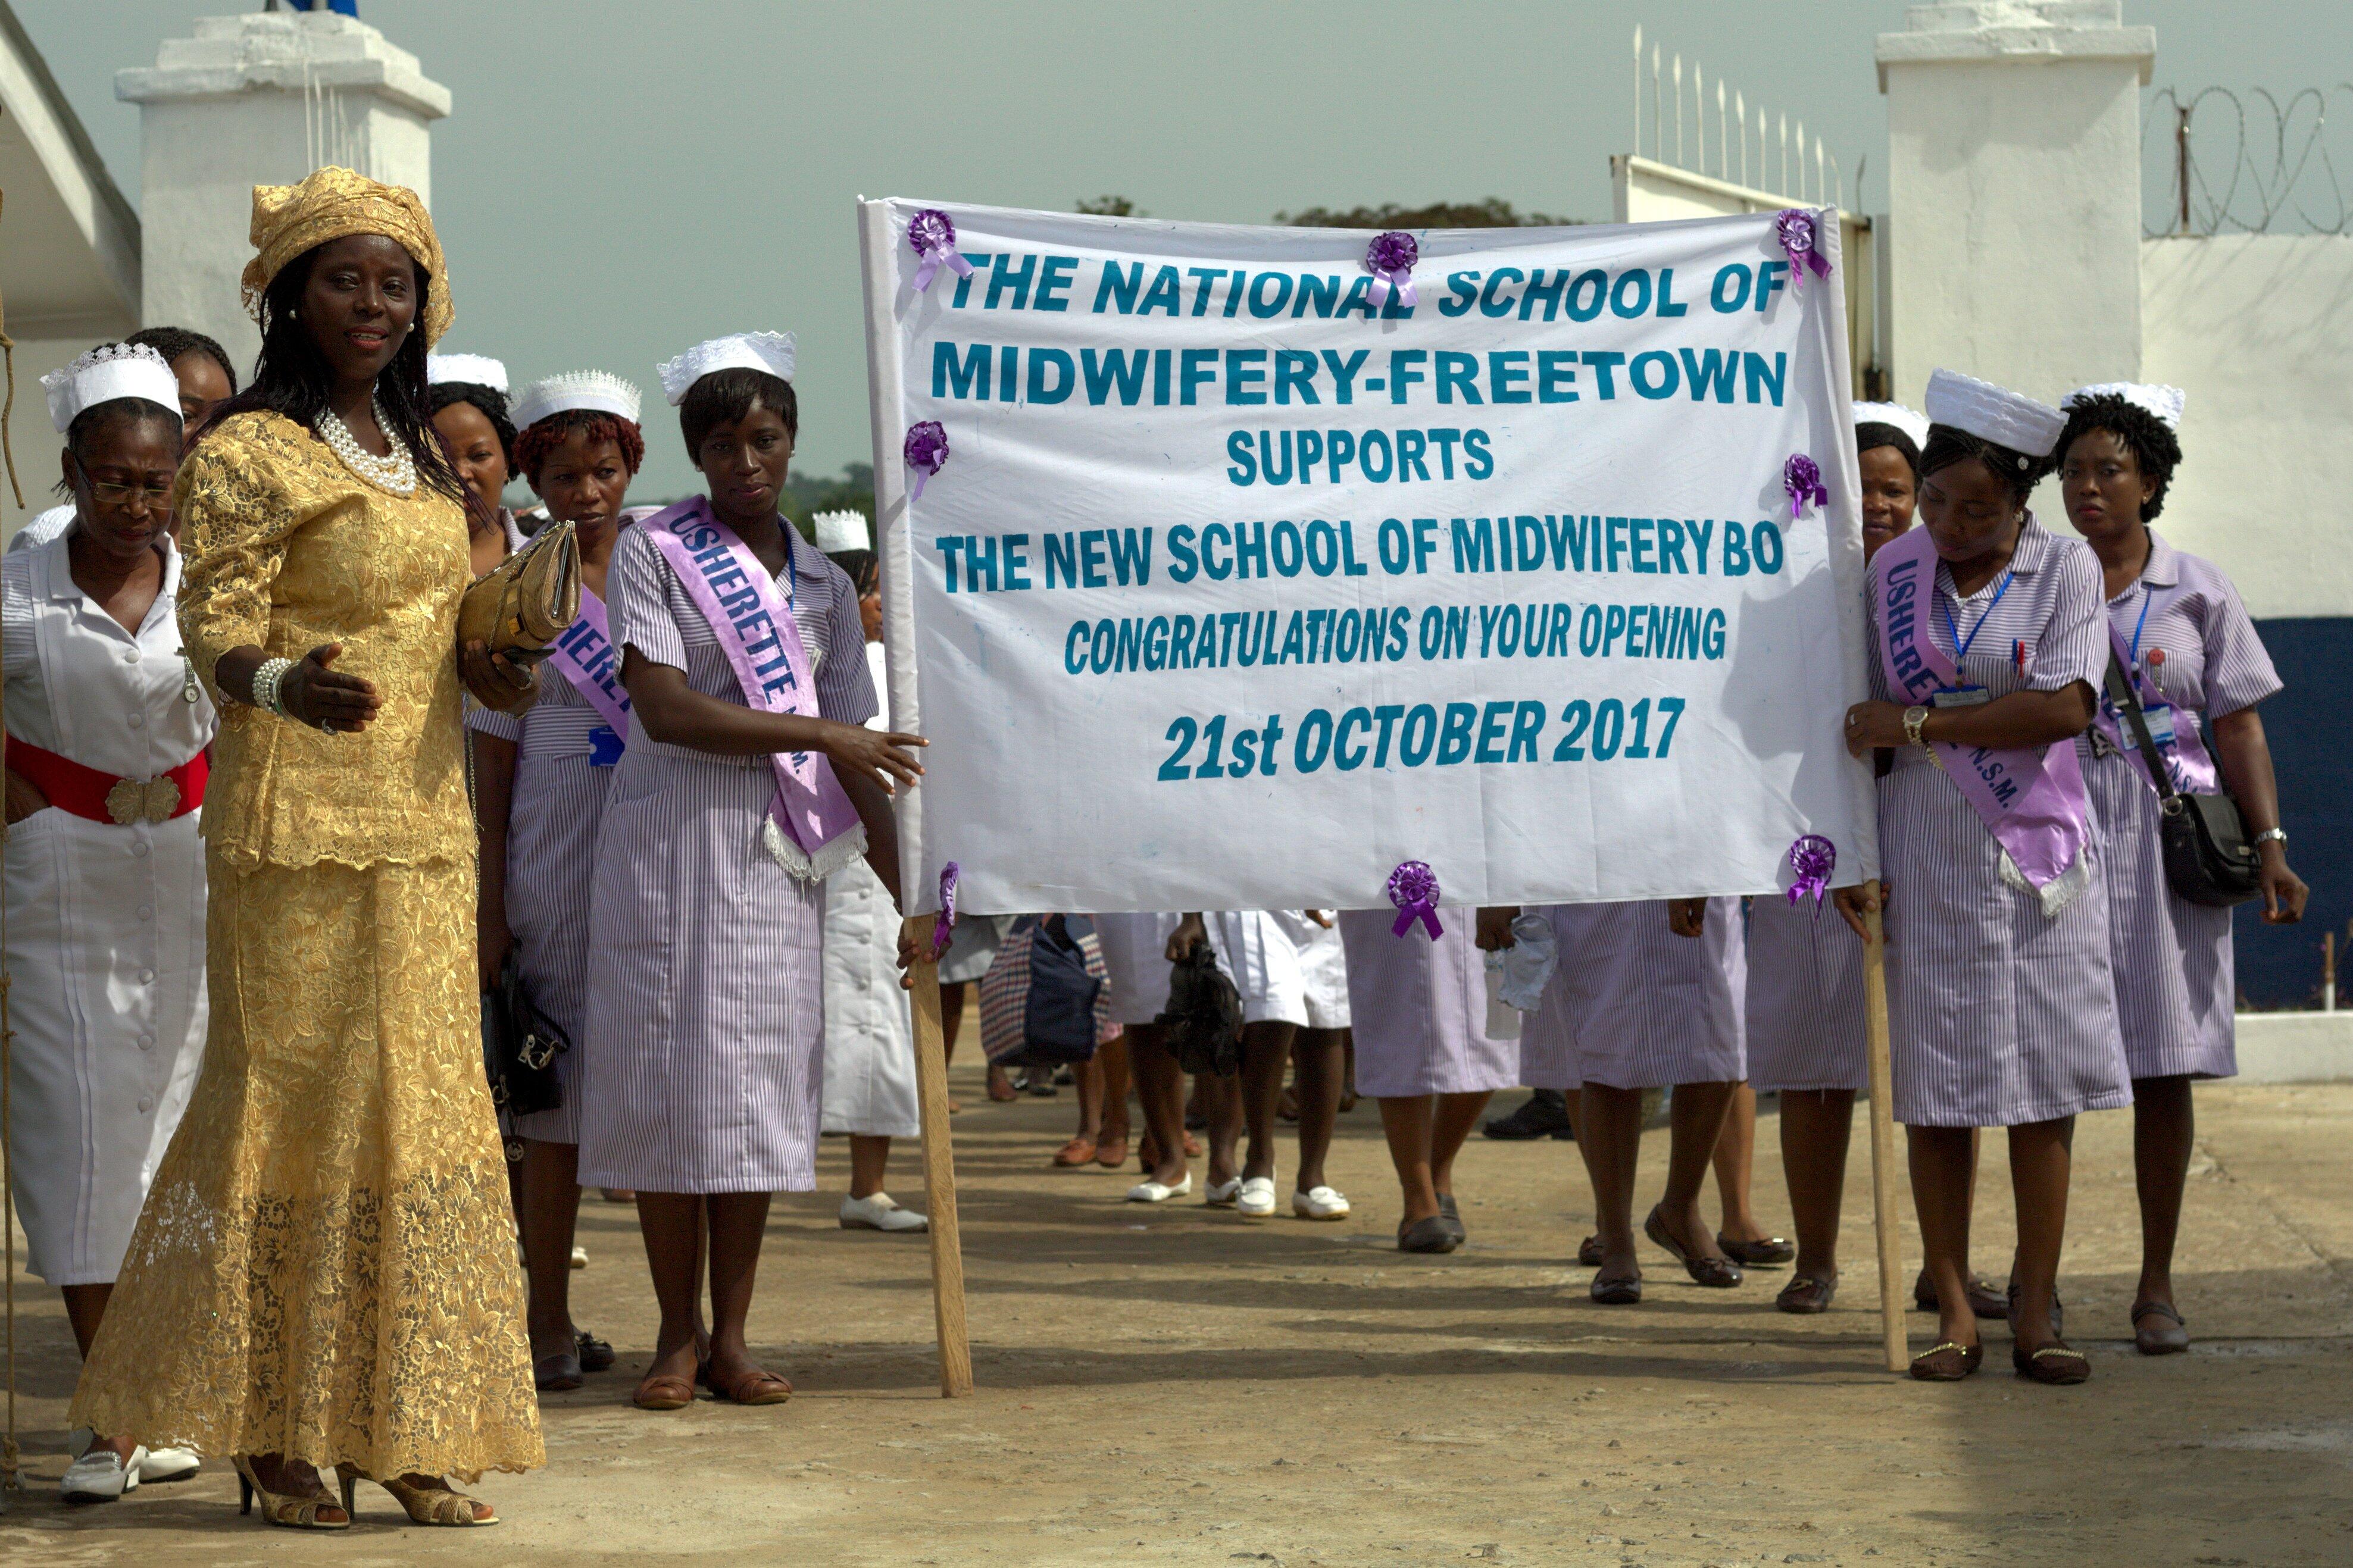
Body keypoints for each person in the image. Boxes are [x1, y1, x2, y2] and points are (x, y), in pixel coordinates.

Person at [66, 166, 543, 1528]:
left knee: (417, 1119)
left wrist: (507, 656)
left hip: (420, 827)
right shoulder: (248, 453)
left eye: (396, 280)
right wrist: (283, 686)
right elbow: (215, 629)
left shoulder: (428, 457)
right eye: (346, 278)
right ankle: (268, 1428)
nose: (375, 303)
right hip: (291, 830)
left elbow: (453, 643)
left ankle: (393, 1423)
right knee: (288, 1115)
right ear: (288, 292)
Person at [578, 331, 924, 1413]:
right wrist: (821, 733)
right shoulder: (653, 551)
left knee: (754, 1099)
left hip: (780, 867)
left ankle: (732, 1337)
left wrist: (914, 896)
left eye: (763, 439)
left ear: (789, 442)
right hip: (671, 852)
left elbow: (864, 754)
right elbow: (664, 706)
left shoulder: (824, 584)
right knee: (671, 1095)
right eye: (721, 445)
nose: (745, 462)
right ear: (696, 453)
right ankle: (671, 1337)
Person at [1837, 367, 2126, 1387]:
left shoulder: (2065, 574)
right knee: (1939, 1088)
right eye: (1934, 501)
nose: (1949, 524)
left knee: (2042, 1090)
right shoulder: (1889, 575)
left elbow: (2060, 708)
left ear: (2019, 501)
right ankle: (1952, 1303)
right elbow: (1853, 718)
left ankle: (2035, 1306)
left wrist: (1921, 724)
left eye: (1976, 508)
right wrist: (1847, 854)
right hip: (1920, 850)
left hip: (2035, 856)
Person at [2055, 381, 2307, 1355]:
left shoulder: (2195, 587)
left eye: (2107, 469)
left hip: (2170, 855)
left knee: (2163, 1071)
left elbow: (2237, 723)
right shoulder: (2037, 581)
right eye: (2072, 471)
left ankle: (2154, 1284)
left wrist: (2271, 847)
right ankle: (2042, 1280)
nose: (2086, 487)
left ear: (2148, 483)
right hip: (2059, 850)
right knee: (2047, 1072)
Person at [4, 344, 207, 1503]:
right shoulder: (17, 594)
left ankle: (162, 1396)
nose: (135, 503)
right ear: (71, 474)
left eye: (155, 480)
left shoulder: (212, 586)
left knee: (171, 1131)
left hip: (187, 878)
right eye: (112, 479)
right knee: (73, 1129)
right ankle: (110, 1416)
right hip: (60, 882)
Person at [1746, 405, 2001, 1317]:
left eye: (1900, 489)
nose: (1883, 506)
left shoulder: (1952, 590)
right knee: (1816, 1061)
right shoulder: (1782, 589)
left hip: (1928, 836)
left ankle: (1944, 1267)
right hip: (1812, 846)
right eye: (1866, 489)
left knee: (1940, 1064)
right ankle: (1815, 1257)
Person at [467, 368, 649, 1389]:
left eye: (606, 469)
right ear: (534, 474)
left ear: (631, 468)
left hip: (655, 843)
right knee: (549, 1103)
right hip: (550, 848)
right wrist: (491, 905)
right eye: (566, 473)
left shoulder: (674, 571)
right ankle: (544, 1317)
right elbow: (491, 758)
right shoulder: (511, 592)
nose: (588, 491)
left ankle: (683, 1321)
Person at [1536, 900, 1748, 1301]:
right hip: (1602, 876)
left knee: (1717, 1047)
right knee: (1610, 1043)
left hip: (1698, 860)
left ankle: (1680, 1210)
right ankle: (1615, 1238)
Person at [812, 508, 928, 1233]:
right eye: (873, 589)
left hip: (878, 871)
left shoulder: (901, 667)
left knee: (878, 1023)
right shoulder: (812, 664)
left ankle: (868, 1183)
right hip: (818, 866)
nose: (884, 604)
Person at [1336, 905, 1518, 1253]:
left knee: (1492, 1025)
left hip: (1476, 866)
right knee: (1402, 1009)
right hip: (1392, 867)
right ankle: (1418, 1198)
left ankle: (1439, 1167)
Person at [1165, 911, 1352, 1219]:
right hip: (1258, 896)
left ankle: (1312, 1179)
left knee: (1326, 1020)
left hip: (1324, 893)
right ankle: (1259, 1162)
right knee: (1270, 1014)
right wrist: (1192, 915)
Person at [9, 327, 239, 556]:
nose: (209, 437)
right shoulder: (49, 535)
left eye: (222, 419)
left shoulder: (235, 540)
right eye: (186, 416)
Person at [427, 352, 524, 574]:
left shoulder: (549, 565)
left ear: (508, 462)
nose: (461, 474)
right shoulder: (391, 568)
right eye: (439, 459)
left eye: (479, 455)